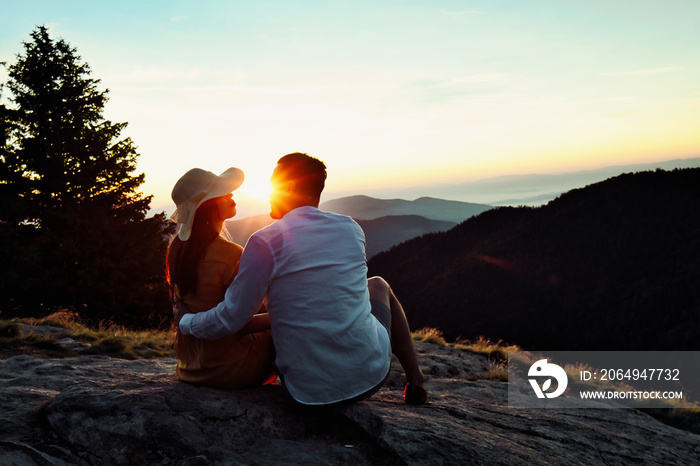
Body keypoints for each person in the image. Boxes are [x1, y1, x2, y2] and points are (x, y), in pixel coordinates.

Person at [174, 153, 427, 406]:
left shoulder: (263, 241)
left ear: (290, 187)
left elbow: (232, 318)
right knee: (378, 284)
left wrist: (186, 321)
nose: (269, 194)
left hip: (307, 393)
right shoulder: (351, 228)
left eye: (273, 185)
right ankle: (415, 379)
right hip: (371, 376)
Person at [167, 167, 276, 389]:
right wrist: (280, 315)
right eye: (223, 193)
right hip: (230, 366)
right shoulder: (231, 255)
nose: (231, 195)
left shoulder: (176, 248)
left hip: (192, 365)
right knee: (290, 326)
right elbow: (237, 323)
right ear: (207, 205)